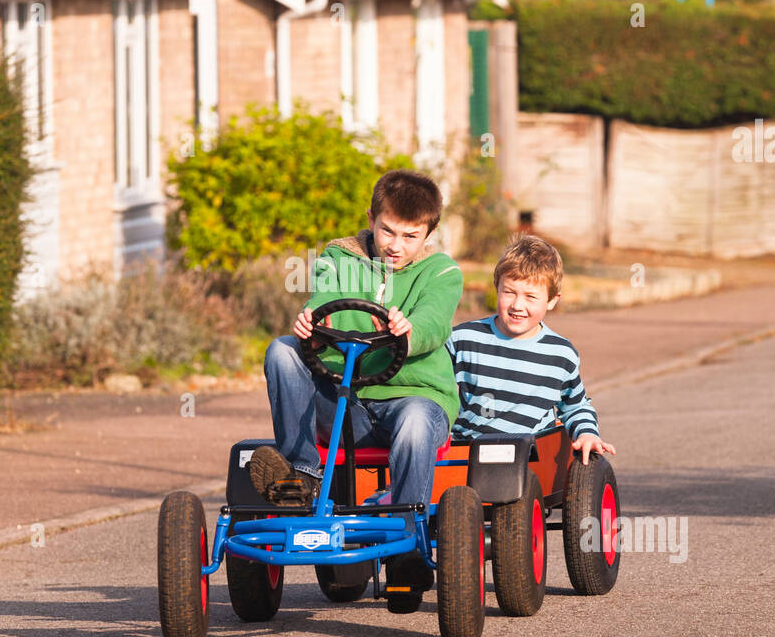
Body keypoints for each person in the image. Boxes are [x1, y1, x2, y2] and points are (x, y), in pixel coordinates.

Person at [250, 169, 463, 610]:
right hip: (345, 405)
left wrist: (408, 330)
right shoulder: (337, 256)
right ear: (371, 218)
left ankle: (406, 536)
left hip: (413, 400)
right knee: (282, 351)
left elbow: (434, 323)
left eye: (410, 235)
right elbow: (323, 302)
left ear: (429, 234)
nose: (394, 245)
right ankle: (303, 476)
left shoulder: (441, 272)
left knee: (416, 422)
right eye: (387, 230)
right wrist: (311, 320)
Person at [446, 235, 616, 465]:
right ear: (496, 287)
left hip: (529, 461)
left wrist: (587, 434)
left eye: (530, 297)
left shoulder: (560, 355)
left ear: (552, 301)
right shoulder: (463, 339)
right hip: (468, 453)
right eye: (509, 292)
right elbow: (431, 385)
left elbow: (576, 406)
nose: (517, 305)